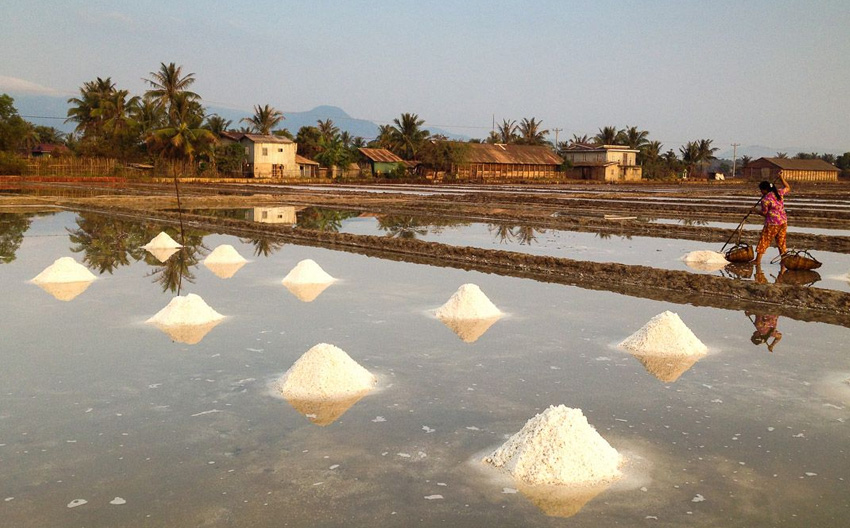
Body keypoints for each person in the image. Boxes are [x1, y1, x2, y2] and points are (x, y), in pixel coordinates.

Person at [754, 174, 791, 267]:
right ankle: (784, 260)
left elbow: (765, 213)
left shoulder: (765, 200)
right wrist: (782, 178)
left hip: (772, 223)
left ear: (765, 190)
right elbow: (787, 187)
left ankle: (757, 260)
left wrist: (755, 211)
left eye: (761, 190)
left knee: (764, 240)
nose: (761, 192)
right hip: (783, 222)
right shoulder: (779, 193)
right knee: (781, 241)